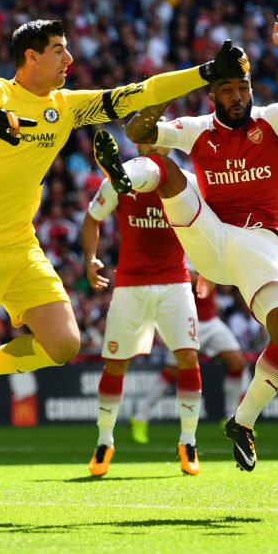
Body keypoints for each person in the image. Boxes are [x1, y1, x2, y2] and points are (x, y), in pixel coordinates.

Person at [0, 18, 249, 522]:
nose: (69, 60)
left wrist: (204, 73)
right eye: (59, 51)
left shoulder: (66, 106)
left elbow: (139, 93)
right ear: (30, 57)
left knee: (62, 345)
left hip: (19, 245)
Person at [96, 10, 278, 471]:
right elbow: (138, 132)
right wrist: (178, 87)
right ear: (213, 94)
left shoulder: (272, 123)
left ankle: (242, 423)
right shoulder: (197, 128)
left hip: (262, 243)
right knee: (165, 170)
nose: (238, 97)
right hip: (210, 235)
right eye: (227, 89)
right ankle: (123, 180)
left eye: (243, 89)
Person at [82, 137, 202, 477]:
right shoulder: (119, 181)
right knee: (115, 364)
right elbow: (92, 219)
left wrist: (206, 268)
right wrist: (91, 258)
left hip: (174, 282)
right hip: (131, 284)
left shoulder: (185, 181)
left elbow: (204, 228)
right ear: (138, 145)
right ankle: (105, 441)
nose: (153, 146)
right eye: (146, 140)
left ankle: (188, 440)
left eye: (157, 138)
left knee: (188, 358)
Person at [130, 270, 247, 442]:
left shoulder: (207, 250)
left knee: (237, 362)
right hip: (187, 321)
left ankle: (230, 419)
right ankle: (140, 417)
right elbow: (187, 279)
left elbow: (217, 283)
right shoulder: (185, 252)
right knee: (172, 371)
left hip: (210, 321)